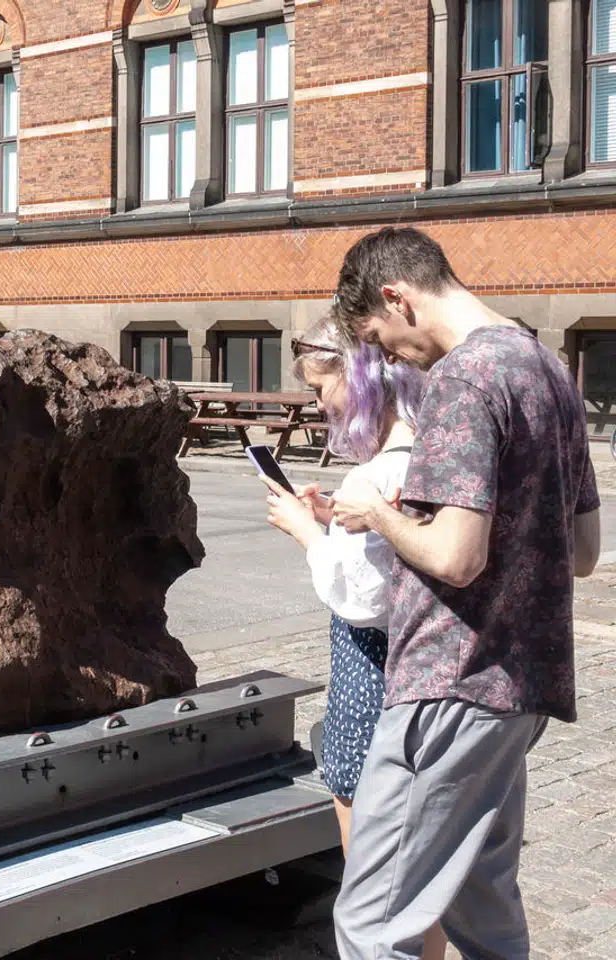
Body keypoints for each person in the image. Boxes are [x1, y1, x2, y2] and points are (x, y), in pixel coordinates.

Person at [325, 226, 602, 960]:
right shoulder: (548, 369)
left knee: (374, 922)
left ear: (397, 298)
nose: (389, 359)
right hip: (520, 688)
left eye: (379, 340)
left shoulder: (462, 378)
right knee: (482, 904)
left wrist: (377, 514)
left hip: (449, 684)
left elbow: (455, 557)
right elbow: (582, 552)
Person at [260, 312, 447, 960]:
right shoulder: (428, 455)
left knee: (372, 877)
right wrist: (329, 518)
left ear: (359, 377)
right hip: (423, 682)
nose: (319, 404)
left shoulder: (372, 478)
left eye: (320, 388)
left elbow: (363, 598)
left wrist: (306, 532)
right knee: (422, 876)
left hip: (372, 686)